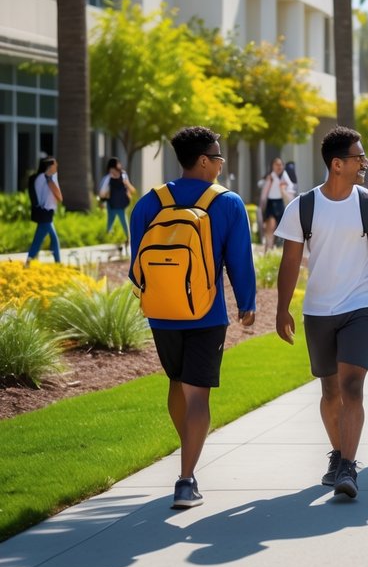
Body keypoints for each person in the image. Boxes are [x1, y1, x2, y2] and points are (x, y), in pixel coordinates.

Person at [274, 127, 368, 500]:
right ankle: (338, 455)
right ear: (337, 164)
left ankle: (348, 467)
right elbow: (290, 262)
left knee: (352, 387)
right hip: (318, 310)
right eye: (357, 157)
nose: (364, 162)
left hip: (360, 306)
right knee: (330, 390)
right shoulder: (303, 207)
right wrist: (283, 308)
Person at [127, 127, 257, 509]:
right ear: (202, 160)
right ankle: (186, 479)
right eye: (217, 157)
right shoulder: (227, 203)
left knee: (176, 382)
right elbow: (239, 260)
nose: (220, 163)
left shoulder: (150, 202)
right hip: (205, 312)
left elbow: (139, 263)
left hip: (161, 313)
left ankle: (188, 456)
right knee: (198, 393)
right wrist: (246, 303)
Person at [26, 157, 63, 266]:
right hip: (45, 212)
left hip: (45, 213)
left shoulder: (41, 178)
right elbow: (60, 197)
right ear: (50, 167)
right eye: (55, 165)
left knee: (38, 240)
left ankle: (28, 262)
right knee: (54, 239)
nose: (57, 167)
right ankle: (58, 264)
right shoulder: (46, 179)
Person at [98, 157, 137, 252]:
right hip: (111, 205)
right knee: (109, 225)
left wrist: (126, 185)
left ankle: (127, 240)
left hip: (121, 205)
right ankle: (112, 241)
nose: (114, 171)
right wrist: (102, 200)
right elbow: (102, 193)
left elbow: (132, 190)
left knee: (124, 223)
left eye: (115, 169)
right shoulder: (107, 179)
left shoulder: (123, 176)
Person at [258, 157, 296, 254]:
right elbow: (262, 191)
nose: (279, 167)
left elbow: (291, 195)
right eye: (276, 164)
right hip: (271, 204)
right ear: (272, 166)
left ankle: (275, 253)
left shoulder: (285, 178)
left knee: (281, 233)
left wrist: (283, 189)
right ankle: (267, 253)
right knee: (270, 229)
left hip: (281, 204)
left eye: (281, 164)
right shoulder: (270, 177)